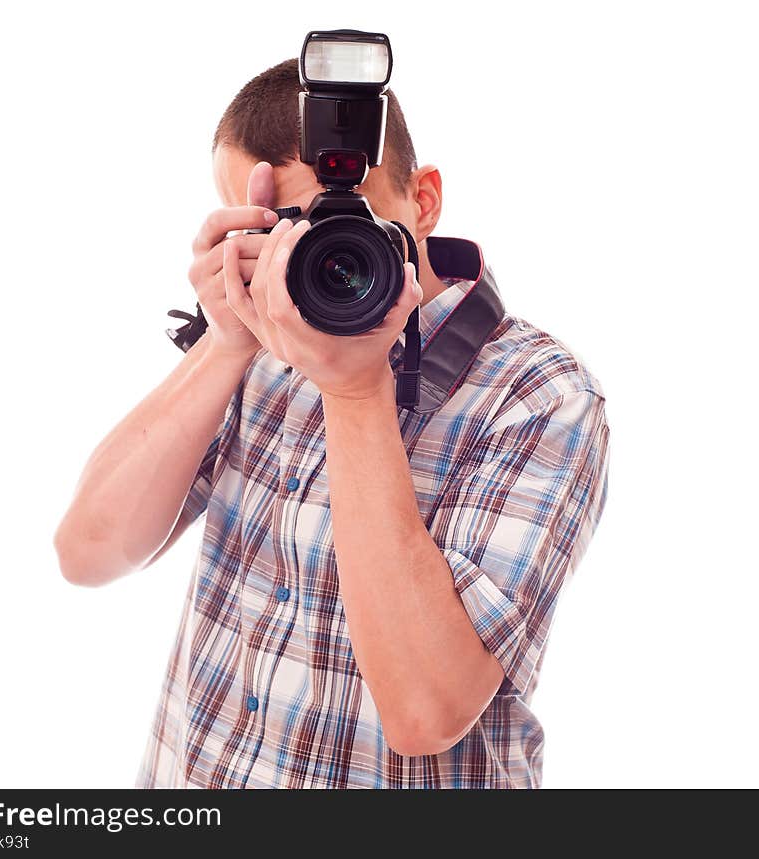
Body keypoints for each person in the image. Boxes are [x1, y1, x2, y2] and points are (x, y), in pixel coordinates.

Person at [53, 58, 611, 789]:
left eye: (334, 220)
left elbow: (424, 709)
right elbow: (87, 552)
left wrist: (354, 393)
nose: (310, 254)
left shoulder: (538, 394)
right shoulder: (257, 341)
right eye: (276, 228)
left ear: (425, 200)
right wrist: (227, 340)